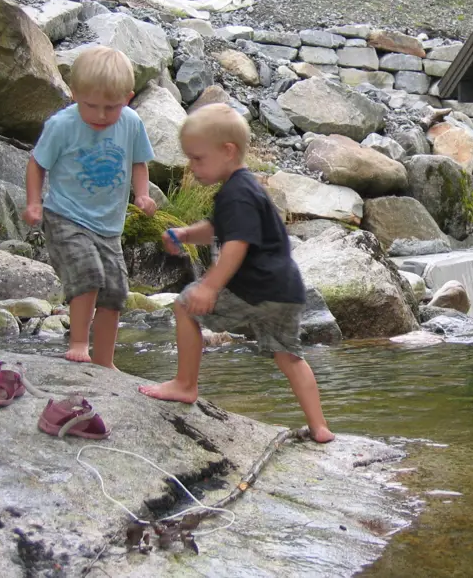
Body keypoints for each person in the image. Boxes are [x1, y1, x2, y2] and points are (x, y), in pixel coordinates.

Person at [138, 104, 333, 443]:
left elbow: (236, 243)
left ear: (227, 151)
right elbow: (219, 229)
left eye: (198, 158)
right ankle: (320, 427)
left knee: (185, 306)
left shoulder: (236, 193)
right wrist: (185, 234)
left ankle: (185, 384)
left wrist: (209, 287)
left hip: (254, 289)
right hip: (285, 293)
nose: (192, 166)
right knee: (290, 356)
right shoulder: (247, 188)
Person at [24, 46, 156, 368]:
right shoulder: (62, 125)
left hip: (109, 226)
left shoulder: (131, 123)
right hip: (65, 215)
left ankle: (105, 361)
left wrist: (141, 195)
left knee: (115, 291)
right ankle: (79, 342)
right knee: (88, 273)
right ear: (74, 93)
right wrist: (33, 202)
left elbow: (139, 162)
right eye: (90, 106)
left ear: (128, 97)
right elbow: (36, 164)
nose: (99, 116)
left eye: (110, 107)